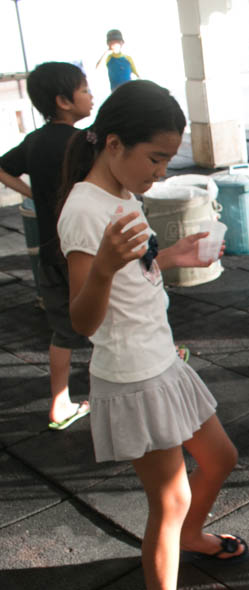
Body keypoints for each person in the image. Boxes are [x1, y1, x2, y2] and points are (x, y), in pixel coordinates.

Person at [58, 80, 242, 590]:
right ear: (113, 144)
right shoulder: (84, 212)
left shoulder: (120, 193)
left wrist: (173, 255)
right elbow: (81, 319)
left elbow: (130, 283)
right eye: (155, 157)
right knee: (170, 497)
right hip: (132, 377)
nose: (160, 171)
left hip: (161, 361)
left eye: (167, 159)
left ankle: (189, 536)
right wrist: (108, 266)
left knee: (221, 458)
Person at [0, 61, 94, 429]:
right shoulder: (84, 142)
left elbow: (2, 166)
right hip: (84, 250)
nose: (91, 96)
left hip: (51, 252)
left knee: (63, 329)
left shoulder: (34, 141)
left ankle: (60, 402)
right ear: (63, 100)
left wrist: (32, 196)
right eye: (85, 90)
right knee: (115, 314)